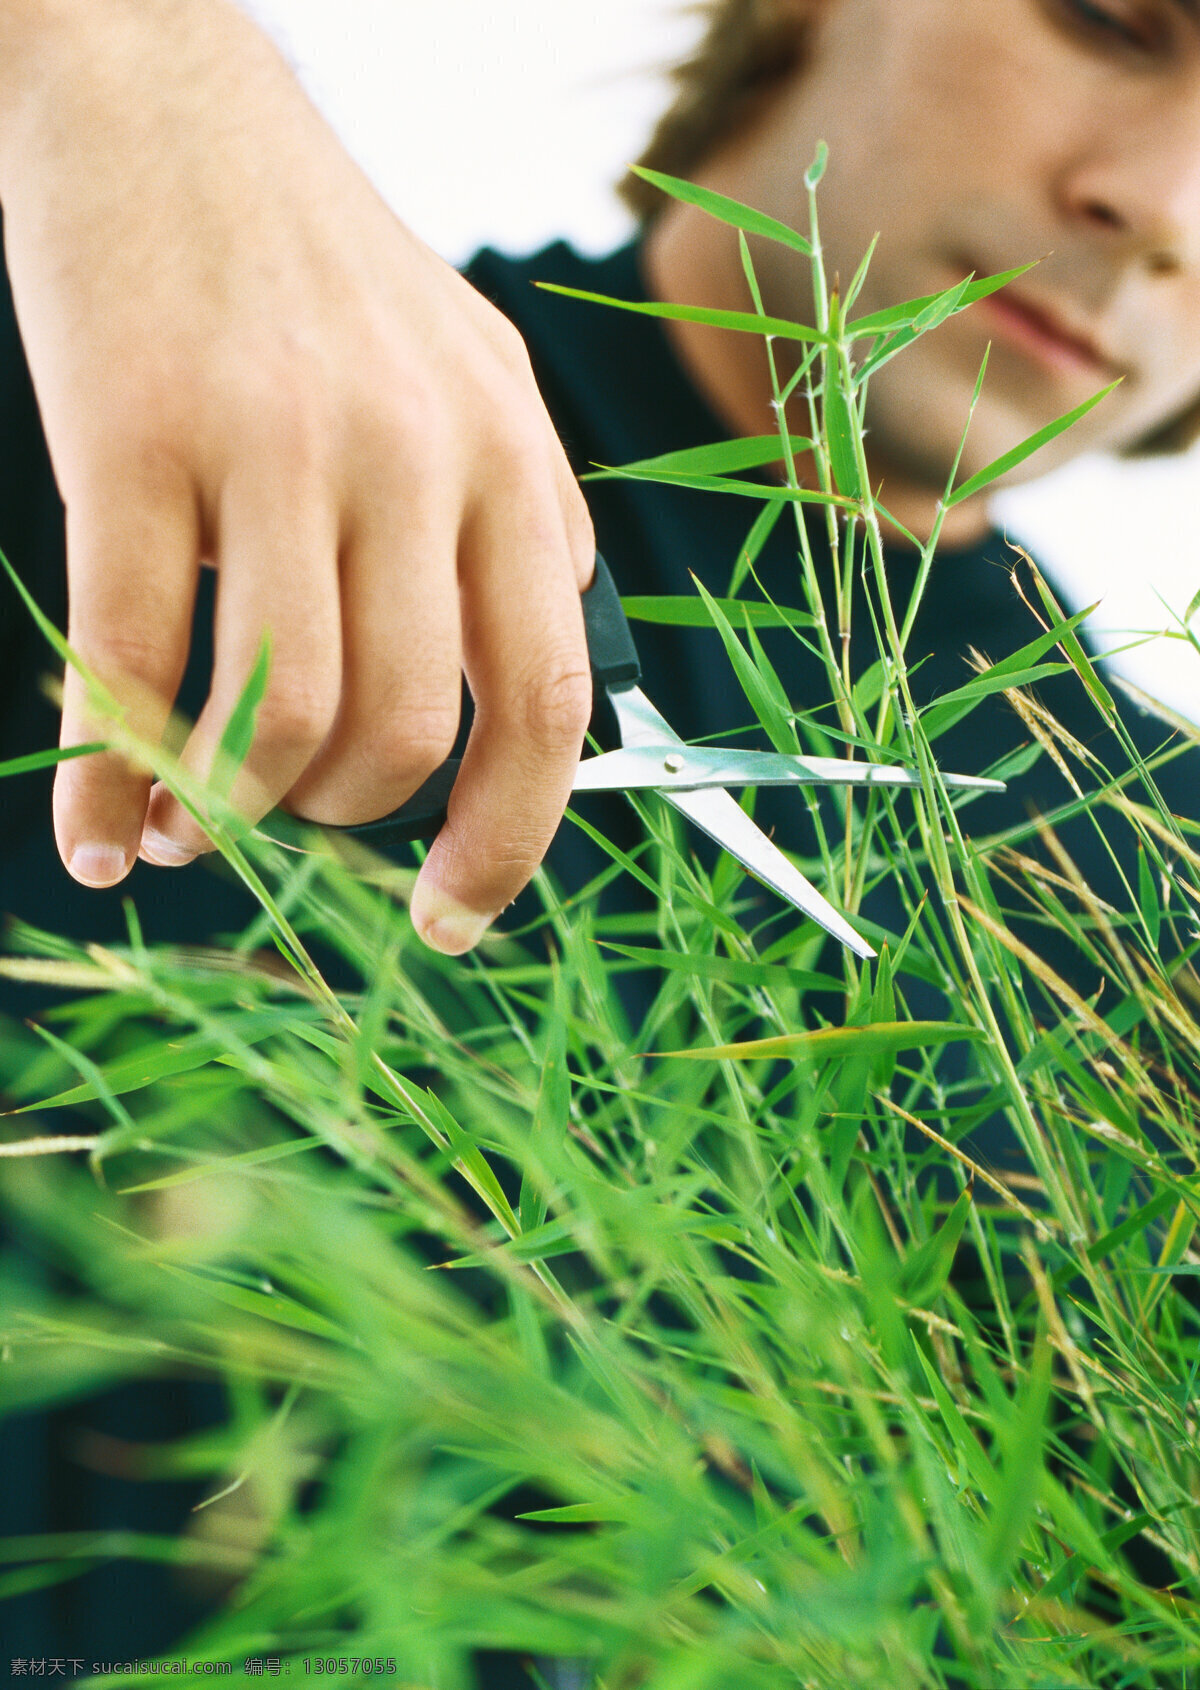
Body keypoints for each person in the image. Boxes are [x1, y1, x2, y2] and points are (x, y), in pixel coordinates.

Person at [4, 0, 1200, 1670]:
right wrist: (116, 54)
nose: (1164, 204)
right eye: (1115, 22)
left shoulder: (1172, 905)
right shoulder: (133, 416)